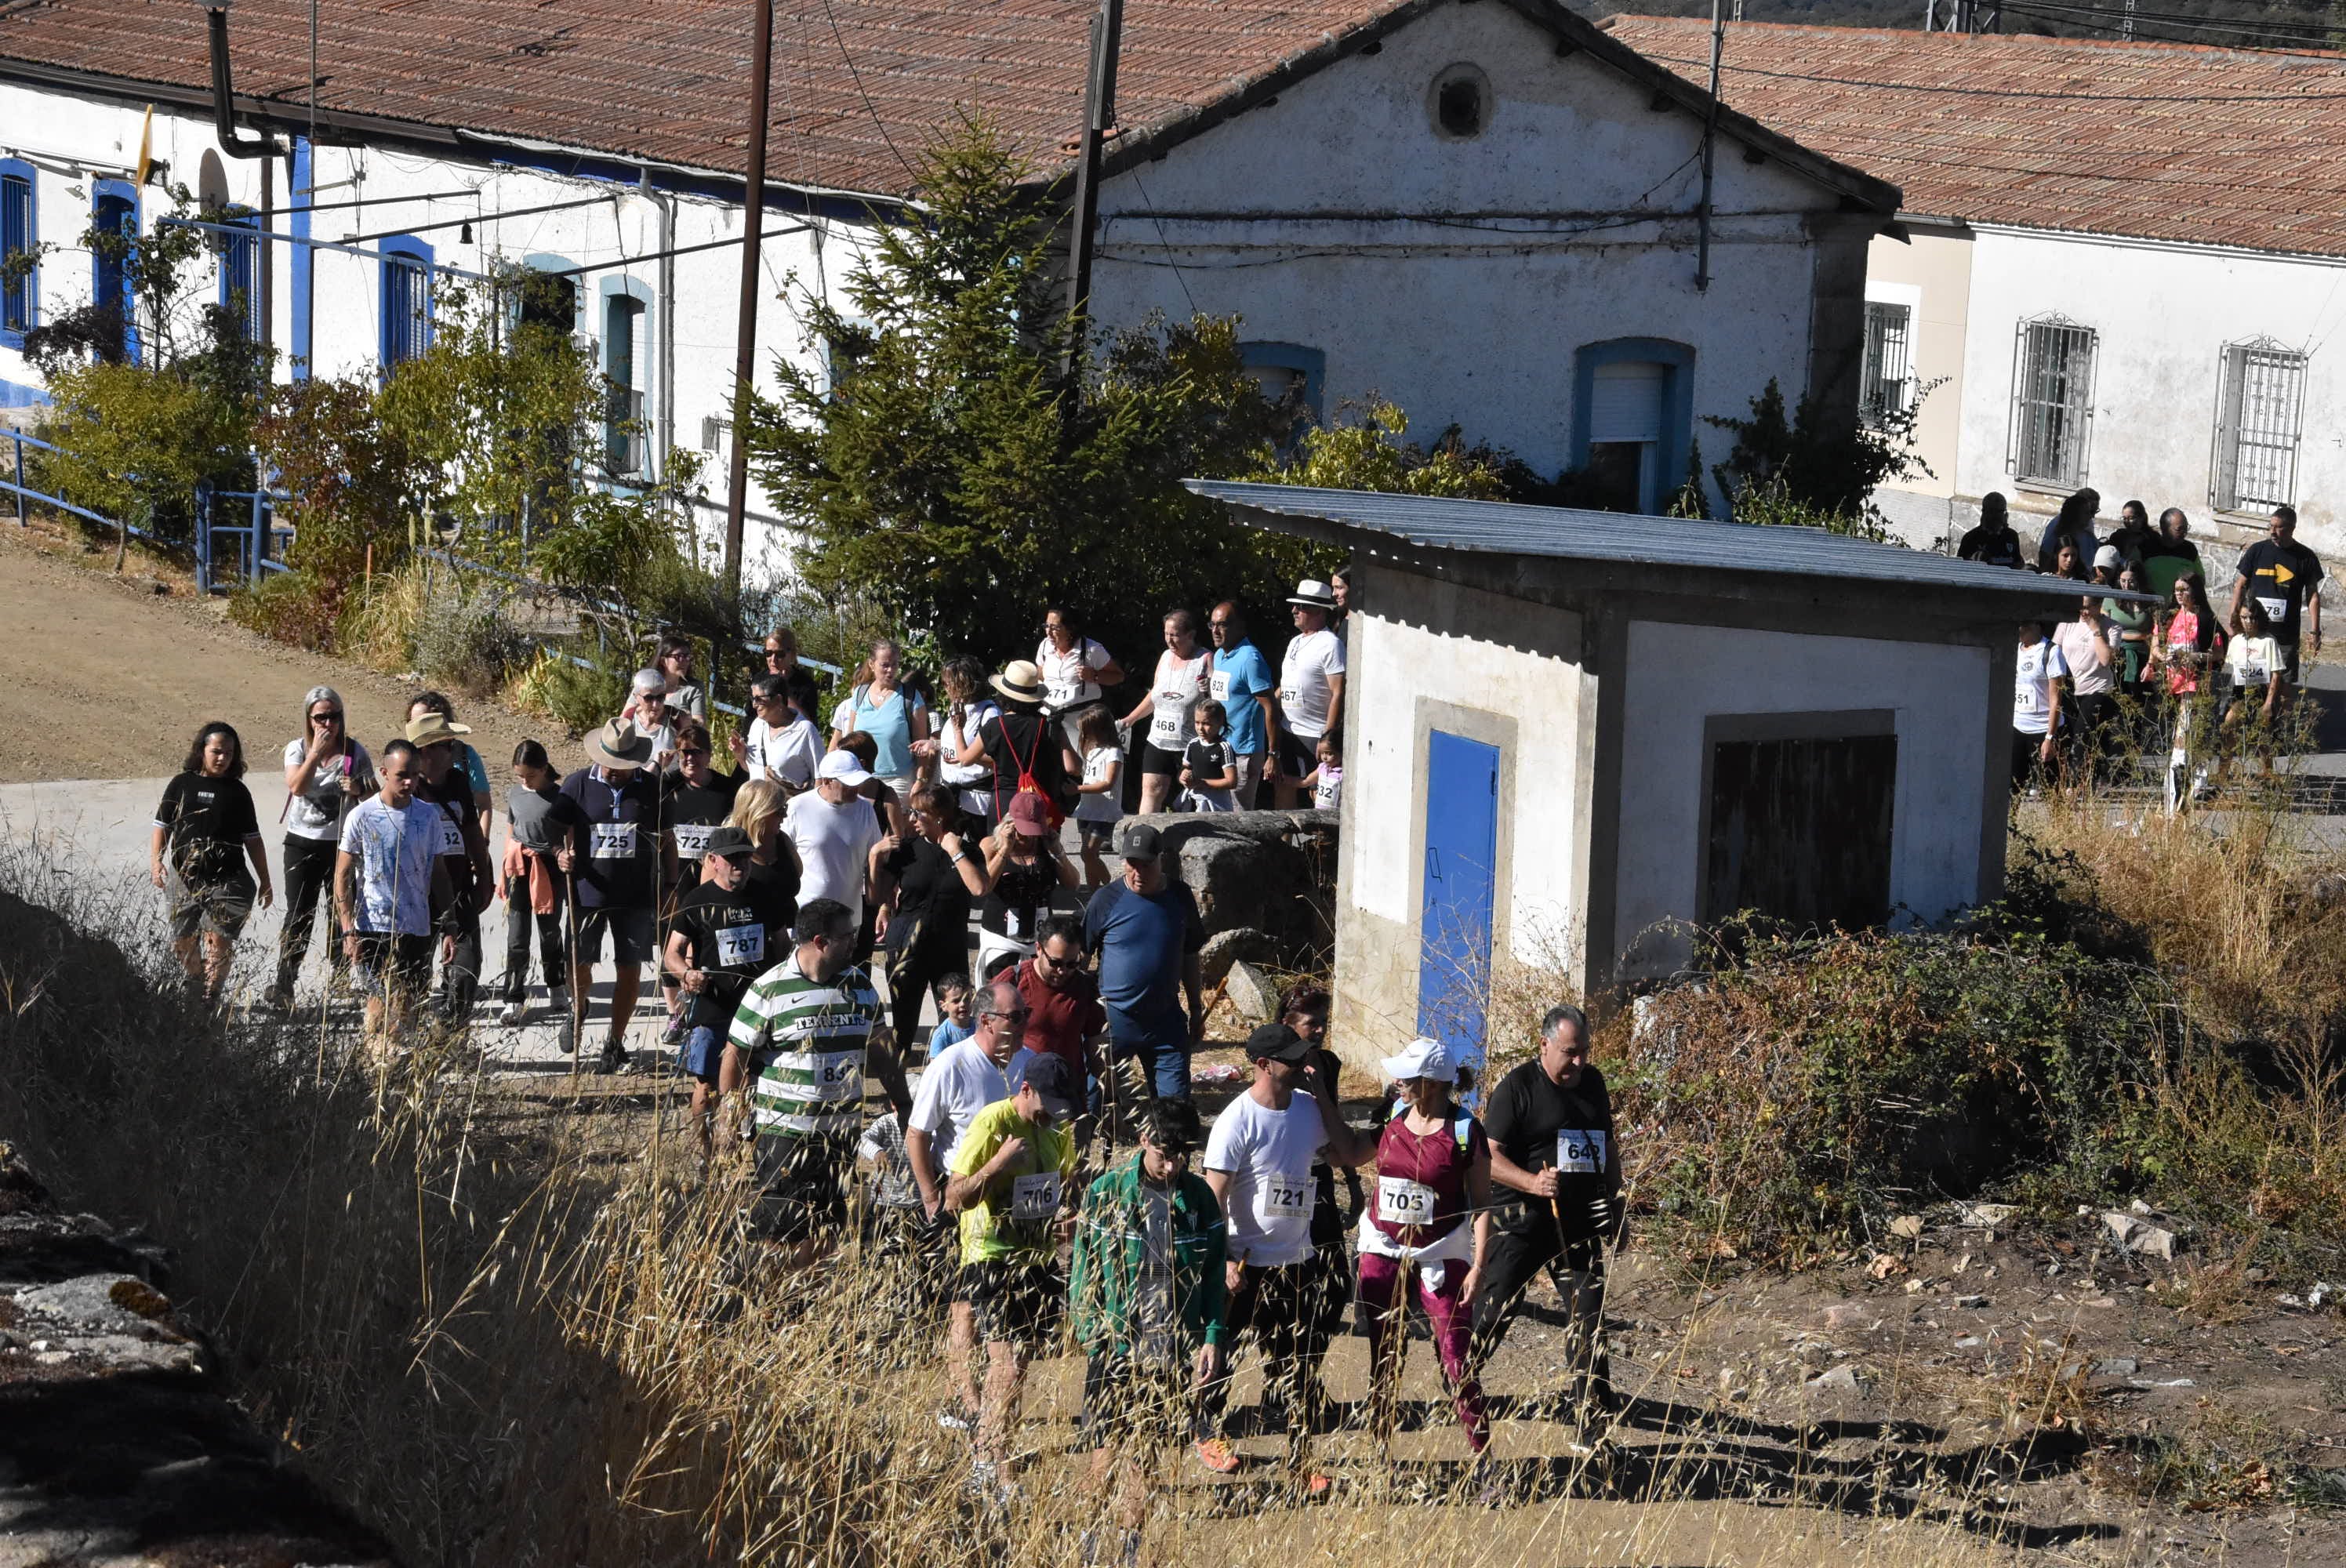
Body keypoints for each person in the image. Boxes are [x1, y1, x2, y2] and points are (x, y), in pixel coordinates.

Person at [1193, 1022, 1372, 1490]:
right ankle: (1205, 1429)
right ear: (1263, 1065)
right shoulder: (1236, 1121)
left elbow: (1347, 1154)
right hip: (1245, 1264)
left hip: (1296, 1262)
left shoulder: (1310, 1109)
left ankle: (1300, 1459)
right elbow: (1214, 1197)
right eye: (1292, 1059)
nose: (1302, 1064)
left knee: (1295, 1364)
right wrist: (1223, 1263)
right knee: (1220, 1356)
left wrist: (1325, 1098)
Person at [1069, 1097, 1227, 1567]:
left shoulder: (1199, 1199)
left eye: (1182, 1154)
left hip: (1171, 1347)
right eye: (1164, 1152)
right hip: (1117, 1345)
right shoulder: (1106, 1191)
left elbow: (1214, 1273)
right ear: (1143, 1141)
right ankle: (1091, 1547)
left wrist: (1212, 1336)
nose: (1173, 1163)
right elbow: (1084, 1268)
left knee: (1145, 1460)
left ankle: (1130, 1555)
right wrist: (1094, 1335)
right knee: (1102, 1461)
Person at [725, 898, 911, 1265]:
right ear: (820, 942)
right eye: (848, 936)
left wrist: (903, 1102)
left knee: (827, 1227)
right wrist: (731, 1114)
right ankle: (773, 1303)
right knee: (779, 1230)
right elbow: (735, 1055)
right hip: (785, 1134)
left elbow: (882, 1051)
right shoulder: (770, 989)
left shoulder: (860, 987)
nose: (856, 943)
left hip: (841, 1135)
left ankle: (807, 1301)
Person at [1469, 1004, 1623, 1440]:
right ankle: (1459, 1379)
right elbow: (1487, 1157)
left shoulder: (1593, 1084)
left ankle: (1594, 1430)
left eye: (1585, 1053)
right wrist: (1532, 1183)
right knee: (1492, 1315)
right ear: (1545, 1044)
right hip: (1522, 1223)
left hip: (1577, 1224)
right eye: (1571, 1052)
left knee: (1590, 1322)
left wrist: (1618, 1204)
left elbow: (1607, 1147)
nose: (1579, 1063)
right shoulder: (1517, 1087)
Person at [946, 1053, 1083, 1504]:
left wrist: (1066, 1218)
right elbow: (955, 1197)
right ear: (1025, 1089)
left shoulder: (1057, 1127)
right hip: (991, 1254)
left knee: (1019, 1369)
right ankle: (992, 1466)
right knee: (1006, 1366)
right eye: (1046, 1105)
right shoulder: (993, 1122)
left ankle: (992, 1458)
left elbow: (1064, 1185)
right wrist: (999, 1164)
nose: (1053, 1116)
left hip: (1039, 1256)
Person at [907, 976, 1039, 1436]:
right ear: (986, 1020)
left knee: (1002, 1306)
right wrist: (932, 1199)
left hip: (1014, 1200)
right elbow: (917, 1135)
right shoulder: (951, 1065)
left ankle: (991, 1398)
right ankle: (969, 1400)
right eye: (1016, 1017)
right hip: (959, 1194)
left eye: (1026, 1015)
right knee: (963, 1307)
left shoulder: (1027, 1062)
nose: (1025, 1023)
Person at [1356, 1036, 1493, 1465]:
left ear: (1432, 1083)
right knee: (1384, 1353)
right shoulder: (1395, 1113)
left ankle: (1483, 1457)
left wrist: (1478, 1266)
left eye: (1406, 1075)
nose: (1397, 1081)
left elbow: (1483, 1205)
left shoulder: (1466, 1130)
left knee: (1456, 1356)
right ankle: (1380, 1454)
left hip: (1441, 1252)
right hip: (1382, 1246)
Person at [663, 826, 790, 1158]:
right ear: (713, 860)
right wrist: (686, 974)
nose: (741, 865)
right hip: (711, 1007)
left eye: (745, 858)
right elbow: (671, 953)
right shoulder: (697, 900)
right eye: (733, 859)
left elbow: (783, 944)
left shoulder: (764, 896)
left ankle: (733, 1148)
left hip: (756, 1006)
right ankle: (704, 1154)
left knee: (748, 1081)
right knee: (706, 1084)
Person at [557, 719, 663, 1071]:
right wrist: (561, 855)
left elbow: (666, 839)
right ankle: (579, 1006)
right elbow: (554, 833)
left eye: (624, 766)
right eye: (611, 764)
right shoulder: (576, 785)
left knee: (629, 970)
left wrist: (670, 883)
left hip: (634, 897)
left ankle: (615, 1043)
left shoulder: (651, 787)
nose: (616, 772)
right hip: (587, 893)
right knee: (579, 966)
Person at [1084, 824, 1205, 1107]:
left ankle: (1168, 1150)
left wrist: (1196, 1008)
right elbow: (1080, 958)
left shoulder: (1179, 896)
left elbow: (1190, 955)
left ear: (1160, 859)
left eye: (1146, 864)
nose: (1137, 872)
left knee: (1174, 1109)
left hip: (1165, 1020)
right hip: (1114, 1019)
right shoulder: (1106, 900)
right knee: (1092, 1104)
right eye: (1131, 864)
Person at [151, 721, 272, 1004]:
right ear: (201, 751)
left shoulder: (238, 792)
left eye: (229, 753)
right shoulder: (182, 784)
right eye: (216, 751)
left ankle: (210, 996)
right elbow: (162, 825)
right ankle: (193, 989)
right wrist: (157, 862)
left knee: (216, 938)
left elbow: (253, 839)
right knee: (183, 941)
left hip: (228, 880)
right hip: (184, 879)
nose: (222, 758)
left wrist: (265, 880)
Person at [335, 739, 446, 1045]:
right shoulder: (363, 816)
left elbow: (439, 873)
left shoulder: (428, 816)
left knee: (409, 1002)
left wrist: (449, 926)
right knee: (379, 1003)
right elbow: (342, 875)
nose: (409, 782)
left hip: (416, 925)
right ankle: (377, 1062)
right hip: (374, 925)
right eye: (401, 775)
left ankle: (400, 1066)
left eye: (414, 774)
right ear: (384, 772)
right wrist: (347, 930)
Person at [268, 687, 372, 1012]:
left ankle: (340, 978)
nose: (328, 723)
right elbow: (296, 786)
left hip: (341, 844)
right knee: (300, 913)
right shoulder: (297, 749)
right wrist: (315, 753)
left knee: (341, 911)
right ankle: (285, 982)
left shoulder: (356, 752)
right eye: (320, 717)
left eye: (334, 716)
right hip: (302, 842)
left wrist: (357, 788)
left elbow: (374, 797)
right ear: (309, 719)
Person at [875, 782, 989, 1055]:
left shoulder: (968, 851)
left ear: (939, 817)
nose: (911, 818)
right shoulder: (907, 848)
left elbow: (979, 889)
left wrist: (955, 851)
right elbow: (878, 894)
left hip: (949, 946)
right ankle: (900, 1085)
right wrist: (874, 858)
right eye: (911, 812)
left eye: (918, 813)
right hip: (907, 945)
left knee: (956, 1020)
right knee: (903, 1022)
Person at [656, 724, 743, 1044]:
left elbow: (746, 792)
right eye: (684, 752)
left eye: (696, 752)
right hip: (673, 877)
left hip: (711, 879)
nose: (689, 758)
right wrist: (661, 767)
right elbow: (646, 795)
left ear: (708, 755)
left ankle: (704, 1010)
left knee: (706, 943)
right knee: (671, 942)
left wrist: (741, 760)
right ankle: (675, 1015)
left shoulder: (724, 788)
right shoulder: (669, 786)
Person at [409, 710, 496, 1030]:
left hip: (460, 889)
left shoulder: (458, 781)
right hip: (419, 895)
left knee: (467, 965)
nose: (455, 748)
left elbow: (472, 829)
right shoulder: (410, 787)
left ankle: (451, 1033)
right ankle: (413, 1034)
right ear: (427, 751)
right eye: (449, 743)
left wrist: (485, 875)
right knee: (414, 969)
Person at [498, 739, 580, 1027]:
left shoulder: (560, 797)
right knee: (517, 938)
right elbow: (511, 831)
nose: (524, 781)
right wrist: (504, 871)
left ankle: (556, 986)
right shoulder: (515, 794)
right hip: (519, 867)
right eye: (520, 775)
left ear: (544, 769)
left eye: (530, 776)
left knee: (550, 933)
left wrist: (568, 858)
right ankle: (514, 997)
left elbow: (569, 834)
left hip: (549, 868)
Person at [975, 793, 1078, 979]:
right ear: (1010, 822)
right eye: (1024, 830)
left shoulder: (1045, 844)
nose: (1029, 837)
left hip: (1039, 942)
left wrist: (1058, 851)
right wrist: (1005, 850)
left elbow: (1072, 884)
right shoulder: (991, 845)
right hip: (1001, 942)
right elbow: (983, 887)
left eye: (1034, 830)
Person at [1121, 610, 1211, 816]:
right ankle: (1143, 840)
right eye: (1166, 634)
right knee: (1151, 790)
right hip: (1159, 741)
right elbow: (1155, 695)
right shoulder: (1165, 656)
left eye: (1175, 635)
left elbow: (1216, 703)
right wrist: (1131, 719)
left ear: (1191, 634)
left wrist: (1209, 690)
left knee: (1192, 796)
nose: (1170, 640)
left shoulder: (1205, 659)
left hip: (1190, 745)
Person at [784, 750, 885, 928]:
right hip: (807, 918)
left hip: (849, 920)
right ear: (827, 782)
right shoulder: (797, 807)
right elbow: (782, 855)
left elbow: (875, 856)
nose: (855, 788)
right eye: (848, 784)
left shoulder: (865, 809)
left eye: (857, 782)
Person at [2230, 503, 2325, 687]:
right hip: (2254, 628)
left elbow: (2313, 595)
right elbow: (2240, 585)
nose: (2273, 531)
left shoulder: (2306, 557)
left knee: (2282, 684)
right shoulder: (2257, 550)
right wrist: (2233, 617)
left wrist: (2315, 631)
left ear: (2292, 528)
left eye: (2279, 527)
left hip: (2285, 632)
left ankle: (2278, 715)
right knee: (2248, 682)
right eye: (2270, 526)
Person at [981, 660, 1083, 827]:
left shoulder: (995, 725)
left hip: (1004, 801)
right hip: (1040, 805)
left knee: (1001, 850)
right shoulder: (1050, 726)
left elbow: (966, 758)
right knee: (1040, 850)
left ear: (1003, 695)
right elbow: (1073, 767)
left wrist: (958, 730)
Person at [1015, 915, 1108, 1095]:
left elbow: (1097, 1051)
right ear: (1039, 949)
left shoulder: (1086, 988)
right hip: (1022, 1094)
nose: (1062, 971)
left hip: (1068, 1095)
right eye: (1055, 963)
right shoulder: (1013, 983)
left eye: (1072, 964)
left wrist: (1113, 1100)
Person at [2154, 572, 2224, 813]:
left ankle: (2186, 777)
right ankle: (2184, 776)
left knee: (2185, 730)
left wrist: (2194, 657)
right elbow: (2155, 646)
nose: (2180, 595)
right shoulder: (2169, 616)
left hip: (2195, 681)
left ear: (2195, 591)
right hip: (2171, 680)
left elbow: (2217, 654)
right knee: (2181, 730)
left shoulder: (2205, 618)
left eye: (2184, 590)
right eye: (2177, 590)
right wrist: (2163, 656)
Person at [1275, 579, 1346, 808]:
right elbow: (1286, 683)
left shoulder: (1331, 644)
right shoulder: (1295, 641)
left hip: (1315, 733)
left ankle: (1320, 842)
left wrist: (1327, 737)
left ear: (1318, 611)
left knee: (1318, 795)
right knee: (1284, 785)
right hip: (1288, 729)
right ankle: (1283, 842)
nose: (1294, 610)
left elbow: (1338, 692)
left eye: (1301, 607)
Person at [834, 639, 929, 801]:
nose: (890, 670)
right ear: (872, 664)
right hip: (861, 778)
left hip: (898, 780)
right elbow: (850, 740)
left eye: (895, 664)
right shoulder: (860, 694)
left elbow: (922, 745)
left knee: (894, 827)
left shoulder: (911, 697)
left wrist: (921, 780)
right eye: (885, 665)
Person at [1208, 601, 1278, 808]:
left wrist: (1273, 754)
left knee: (1239, 820)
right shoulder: (1220, 655)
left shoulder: (1251, 658)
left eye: (1223, 624)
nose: (1216, 631)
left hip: (1243, 753)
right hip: (1221, 748)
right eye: (1212, 625)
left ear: (1240, 626)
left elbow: (1270, 707)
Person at [927, 655, 1001, 836]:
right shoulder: (957, 707)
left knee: (980, 853)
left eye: (947, 683)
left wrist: (967, 755)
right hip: (951, 797)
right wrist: (934, 744)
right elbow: (957, 745)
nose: (944, 687)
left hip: (977, 801)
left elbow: (998, 760)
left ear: (963, 683)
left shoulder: (989, 713)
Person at [2221, 596, 2290, 782]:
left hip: (2260, 693)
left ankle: (2268, 774)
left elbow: (2276, 673)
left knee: (2262, 737)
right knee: (2229, 729)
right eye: (2244, 618)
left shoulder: (2268, 641)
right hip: (2239, 694)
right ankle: (2222, 773)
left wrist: (2269, 703)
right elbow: (2230, 670)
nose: (2248, 622)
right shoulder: (2236, 641)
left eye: (2252, 618)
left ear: (2258, 618)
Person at [1038, 606, 1124, 752]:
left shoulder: (1092, 649)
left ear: (1070, 629)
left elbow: (1118, 676)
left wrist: (1095, 676)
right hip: (1047, 717)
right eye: (1047, 626)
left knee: (1077, 768)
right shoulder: (1044, 646)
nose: (1048, 632)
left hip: (1078, 721)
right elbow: (1040, 676)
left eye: (1055, 628)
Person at [724, 777, 802, 938]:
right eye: (780, 811)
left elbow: (797, 873)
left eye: (785, 808)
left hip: (789, 934)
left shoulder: (783, 841)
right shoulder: (724, 849)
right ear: (759, 813)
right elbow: (709, 900)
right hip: (749, 939)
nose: (785, 816)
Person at [2052, 595, 2118, 783]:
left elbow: (2106, 660)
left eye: (2088, 607)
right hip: (2071, 687)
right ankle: (2089, 776)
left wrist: (2096, 630)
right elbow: (2055, 652)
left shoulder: (2112, 627)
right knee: (2070, 734)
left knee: (2082, 734)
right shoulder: (2067, 624)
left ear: (2099, 607)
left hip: (2097, 688)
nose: (2084, 612)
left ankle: (2076, 782)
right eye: (2081, 607)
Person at [408, 692, 491, 840]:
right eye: (411, 721)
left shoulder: (465, 757)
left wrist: (483, 845)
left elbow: (483, 805)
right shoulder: (405, 762)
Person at [735, 673, 822, 793]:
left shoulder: (805, 730)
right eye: (753, 699)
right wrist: (740, 754)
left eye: (759, 699)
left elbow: (820, 778)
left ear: (778, 699)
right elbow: (753, 770)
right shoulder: (757, 725)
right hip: (758, 806)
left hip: (788, 808)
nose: (754, 705)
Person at [1073, 706, 1124, 890]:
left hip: (1104, 811)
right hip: (1087, 808)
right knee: (1088, 856)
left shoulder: (1114, 752)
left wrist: (1077, 789)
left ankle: (1113, 890)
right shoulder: (1093, 751)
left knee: (1088, 854)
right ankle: (1093, 896)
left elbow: (1108, 783)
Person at [2014, 621, 2068, 792]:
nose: (2019, 630)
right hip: (2017, 727)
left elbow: (2056, 700)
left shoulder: (2051, 651)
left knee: (2052, 790)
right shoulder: (2015, 649)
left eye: (2022, 626)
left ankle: (2059, 819)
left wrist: (2049, 738)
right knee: (2012, 788)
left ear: (2035, 626)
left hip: (2043, 729)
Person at [2106, 561, 2156, 705]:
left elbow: (2156, 632)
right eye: (2123, 581)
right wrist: (2135, 635)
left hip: (2143, 655)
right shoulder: (2111, 599)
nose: (2126, 586)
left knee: (2140, 699)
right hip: (2118, 653)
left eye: (2131, 582)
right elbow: (2105, 628)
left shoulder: (2149, 600)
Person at [1178, 699, 1238, 813]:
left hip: (1217, 805)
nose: (1200, 728)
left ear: (1220, 723)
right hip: (1193, 802)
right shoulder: (1193, 744)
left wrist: (1202, 783)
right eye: (1197, 722)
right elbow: (1184, 770)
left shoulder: (1224, 747)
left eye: (1206, 724)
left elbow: (1231, 782)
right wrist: (1183, 777)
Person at [760, 626, 825, 730]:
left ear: (792, 654)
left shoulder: (805, 684)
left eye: (780, 654)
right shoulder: (760, 680)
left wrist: (783, 687)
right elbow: (750, 717)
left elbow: (808, 723)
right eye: (768, 653)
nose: (773, 660)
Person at [620, 667, 680, 771]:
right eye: (649, 698)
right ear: (636, 697)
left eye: (661, 697)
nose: (656, 705)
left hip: (669, 783)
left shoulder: (677, 720)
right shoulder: (627, 720)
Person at [2035, 487, 2101, 576]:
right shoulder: (2056, 526)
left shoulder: (2087, 525)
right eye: (2089, 511)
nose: (2092, 516)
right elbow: (2045, 555)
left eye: (2095, 512)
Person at [1956, 492, 2025, 568]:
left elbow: (2018, 562)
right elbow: (1961, 567)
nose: (1997, 516)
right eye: (1993, 512)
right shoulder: (1971, 538)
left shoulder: (2011, 536)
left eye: (2001, 512)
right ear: (1984, 512)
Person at [656, 634, 707, 726]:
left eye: (687, 656)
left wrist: (685, 720)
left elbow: (700, 725)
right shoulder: (646, 681)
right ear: (663, 661)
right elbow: (627, 714)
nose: (685, 661)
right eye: (678, 657)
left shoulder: (694, 688)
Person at [928, 972, 977, 1058]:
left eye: (966, 999)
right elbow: (936, 1068)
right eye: (956, 1001)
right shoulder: (941, 1035)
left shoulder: (981, 1027)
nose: (962, 1004)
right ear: (943, 1006)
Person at [1300, 731, 1342, 812]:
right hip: (1319, 813)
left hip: (1336, 816)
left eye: (1329, 754)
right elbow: (1305, 782)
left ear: (1341, 752)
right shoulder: (1322, 768)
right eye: (1322, 753)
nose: (1325, 757)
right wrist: (1283, 779)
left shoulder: (1343, 773)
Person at [2106, 499, 2157, 568]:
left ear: (2142, 517)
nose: (2127, 522)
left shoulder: (2153, 538)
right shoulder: (2118, 536)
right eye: (2124, 518)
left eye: (2131, 518)